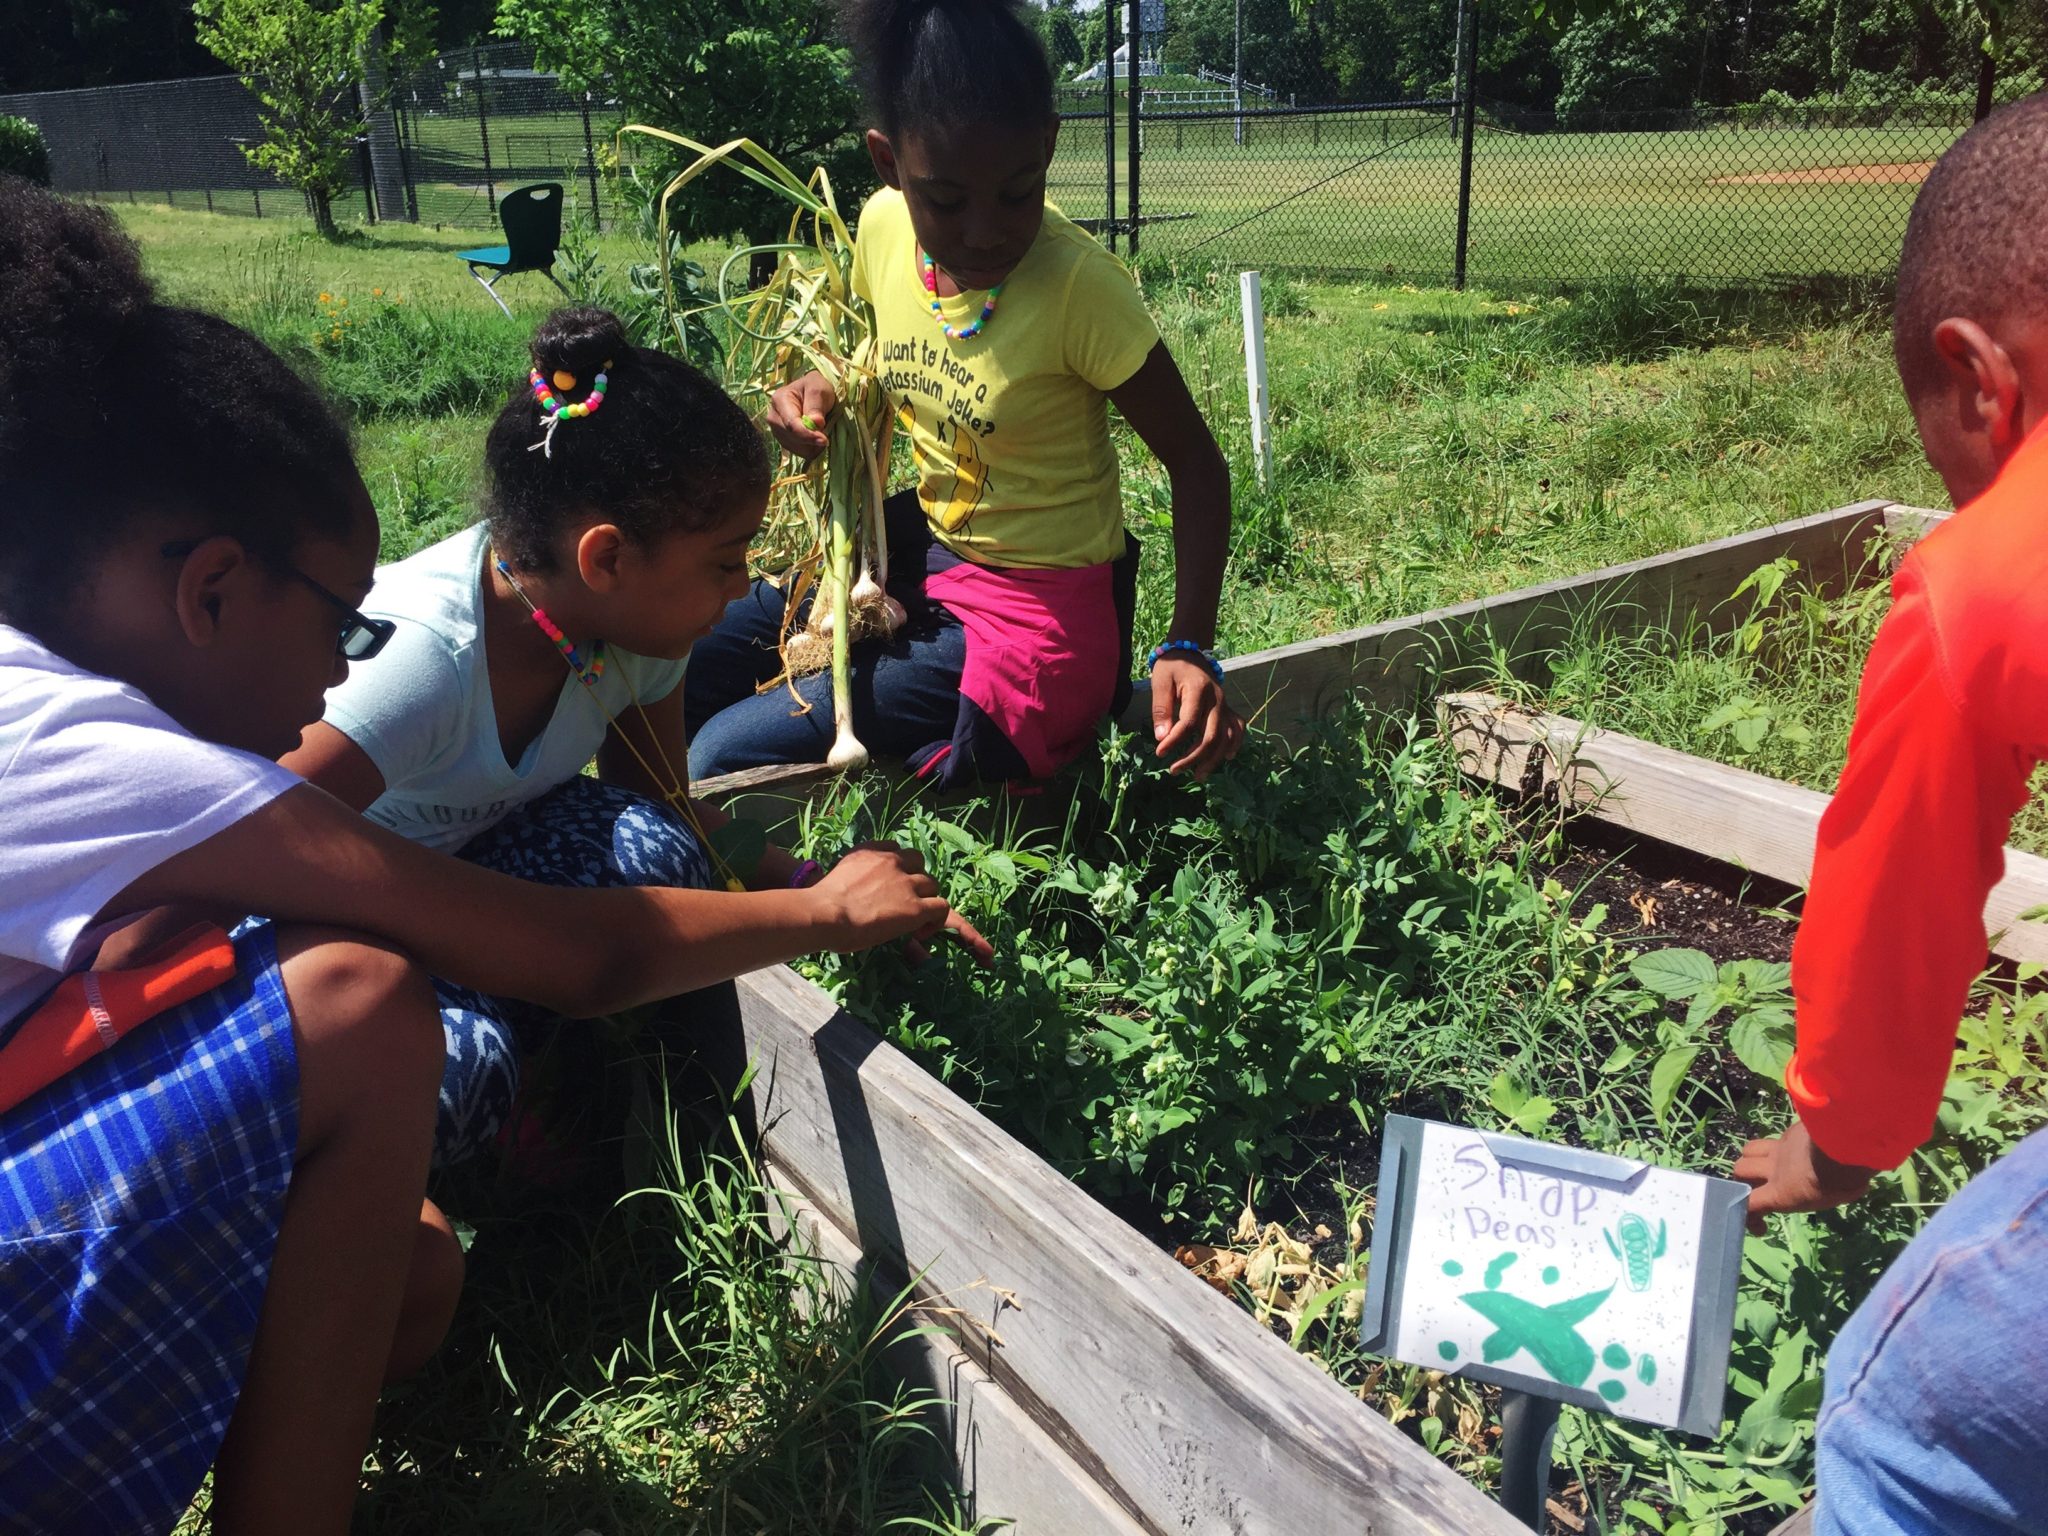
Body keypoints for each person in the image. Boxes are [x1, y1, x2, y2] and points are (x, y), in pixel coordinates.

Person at [0, 176, 985, 1536]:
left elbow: (663, 822)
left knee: (618, 885)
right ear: (212, 590)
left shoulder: (620, 632)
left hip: (354, 926)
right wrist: (822, 912)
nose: (336, 666)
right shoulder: (337, 697)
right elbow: (553, 953)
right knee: (370, 1015)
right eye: (332, 627)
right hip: (316, 937)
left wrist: (749, 896)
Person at [280, 305, 862, 1167]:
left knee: (659, 850)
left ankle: (535, 1061)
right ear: (608, 559)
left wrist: (818, 879)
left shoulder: (624, 637)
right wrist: (517, 943)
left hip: (478, 881)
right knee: (451, 1074)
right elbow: (248, 843)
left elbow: (664, 804)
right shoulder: (423, 664)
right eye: (726, 560)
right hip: (339, 926)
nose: (744, 591)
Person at [1731, 97, 2048, 1536]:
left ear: (1977, 380)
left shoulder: (1988, 574)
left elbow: (1896, 896)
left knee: (1891, 1413)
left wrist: (1839, 1140)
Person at [684, 0, 1245, 790]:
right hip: (924, 557)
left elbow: (1196, 465)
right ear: (887, 163)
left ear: (1048, 145)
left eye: (1017, 192)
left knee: (719, 755)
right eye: (945, 200)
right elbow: (883, 353)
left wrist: (1189, 644)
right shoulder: (882, 227)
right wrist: (826, 385)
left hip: (1039, 616)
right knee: (692, 653)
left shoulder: (1079, 286)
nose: (984, 231)